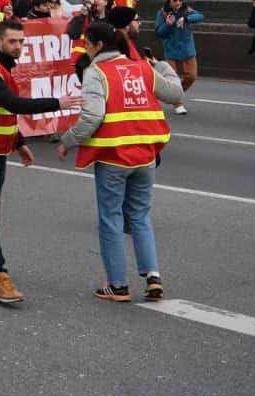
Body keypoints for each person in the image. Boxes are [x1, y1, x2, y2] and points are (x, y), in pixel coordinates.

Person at [0, 20, 82, 304]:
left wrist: (19, 143)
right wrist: (57, 103)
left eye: (22, 42)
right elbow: (13, 105)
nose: (18, 46)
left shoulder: (2, 69)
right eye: (13, 42)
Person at [56, 21, 183, 301]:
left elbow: (92, 117)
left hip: (113, 156)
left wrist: (68, 141)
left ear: (98, 46)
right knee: (139, 216)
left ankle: (118, 284)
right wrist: (160, 65)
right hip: (146, 156)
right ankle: (153, 277)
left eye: (87, 44)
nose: (85, 50)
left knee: (111, 219)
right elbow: (175, 94)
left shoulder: (95, 72)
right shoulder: (141, 68)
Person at [154, 0, 202, 115]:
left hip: (187, 49)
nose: (178, 3)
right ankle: (178, 103)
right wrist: (168, 25)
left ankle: (175, 93)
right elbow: (159, 33)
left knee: (191, 76)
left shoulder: (186, 9)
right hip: (171, 49)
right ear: (169, 0)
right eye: (175, 0)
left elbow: (199, 16)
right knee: (172, 77)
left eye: (180, 0)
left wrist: (186, 19)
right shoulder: (162, 13)